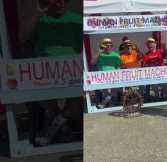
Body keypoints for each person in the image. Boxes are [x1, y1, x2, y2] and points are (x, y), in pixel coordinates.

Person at [23, 0, 82, 146]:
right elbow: (23, 37)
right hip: (43, 69)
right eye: (56, 1)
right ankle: (62, 129)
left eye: (64, 1)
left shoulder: (77, 20)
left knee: (75, 102)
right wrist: (37, 13)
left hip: (71, 68)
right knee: (48, 103)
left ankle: (54, 131)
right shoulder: (40, 19)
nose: (61, 4)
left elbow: (82, 47)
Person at [93, 38, 122, 108]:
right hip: (102, 76)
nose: (108, 47)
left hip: (114, 76)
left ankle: (105, 103)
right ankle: (109, 103)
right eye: (106, 45)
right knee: (106, 93)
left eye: (109, 45)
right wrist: (98, 53)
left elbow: (118, 66)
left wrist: (118, 72)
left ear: (111, 46)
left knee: (113, 92)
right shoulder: (99, 55)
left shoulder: (115, 55)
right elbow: (93, 62)